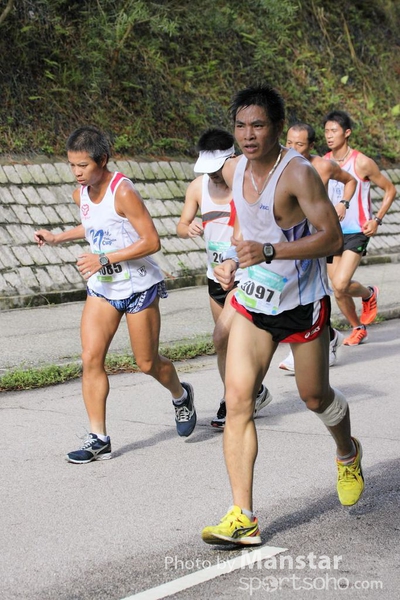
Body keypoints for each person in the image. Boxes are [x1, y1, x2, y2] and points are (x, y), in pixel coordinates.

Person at [201, 85, 364, 548]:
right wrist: (231, 260)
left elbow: (332, 238)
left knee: (315, 397)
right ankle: (243, 516)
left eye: (258, 125)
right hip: (254, 301)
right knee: (238, 401)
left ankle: (347, 452)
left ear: (276, 127)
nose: (248, 135)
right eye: (241, 126)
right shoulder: (235, 169)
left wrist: (270, 251)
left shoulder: (298, 174)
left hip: (302, 303)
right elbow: (243, 225)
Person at [34, 126, 196, 464]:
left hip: (138, 287)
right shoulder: (81, 193)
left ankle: (181, 395)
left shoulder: (123, 191)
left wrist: (104, 258)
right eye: (71, 165)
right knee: (91, 358)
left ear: (103, 159)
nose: (77, 173)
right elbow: (96, 225)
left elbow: (152, 241)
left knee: (147, 363)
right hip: (103, 288)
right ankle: (99, 438)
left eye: (83, 165)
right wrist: (57, 237)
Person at [176, 127, 272, 428]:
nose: (214, 176)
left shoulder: (248, 187)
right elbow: (181, 225)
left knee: (221, 336)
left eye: (217, 170)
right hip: (214, 276)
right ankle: (251, 392)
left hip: (244, 274)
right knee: (225, 344)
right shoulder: (197, 188)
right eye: (209, 171)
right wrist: (188, 228)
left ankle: (233, 401)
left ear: (232, 160)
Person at [279, 122, 357, 371]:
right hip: (290, 237)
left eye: (300, 144)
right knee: (292, 290)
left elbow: (351, 181)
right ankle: (329, 336)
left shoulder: (323, 166)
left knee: (313, 293)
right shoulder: (279, 163)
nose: (292, 148)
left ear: (312, 145)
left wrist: (343, 203)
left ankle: (316, 344)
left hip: (317, 239)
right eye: (289, 142)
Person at [323, 110, 396, 345]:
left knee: (341, 283)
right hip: (333, 232)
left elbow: (390, 190)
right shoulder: (323, 162)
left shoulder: (361, 162)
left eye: (334, 131)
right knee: (337, 289)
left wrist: (377, 220)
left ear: (347, 133)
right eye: (326, 131)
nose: (329, 135)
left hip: (357, 231)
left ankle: (368, 294)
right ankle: (357, 327)